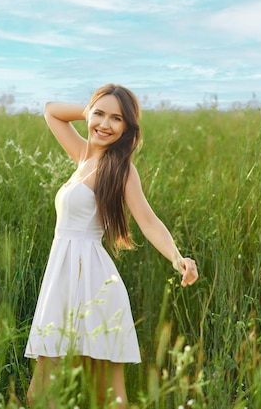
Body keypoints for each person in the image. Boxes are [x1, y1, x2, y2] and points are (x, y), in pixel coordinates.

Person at [25, 84, 199, 408]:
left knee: (109, 397)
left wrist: (177, 258)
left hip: (93, 283)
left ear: (126, 128)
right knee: (41, 395)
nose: (105, 124)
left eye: (116, 119)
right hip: (62, 281)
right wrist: (89, 111)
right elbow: (50, 111)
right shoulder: (82, 156)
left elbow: (148, 221)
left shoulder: (120, 169)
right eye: (100, 114)